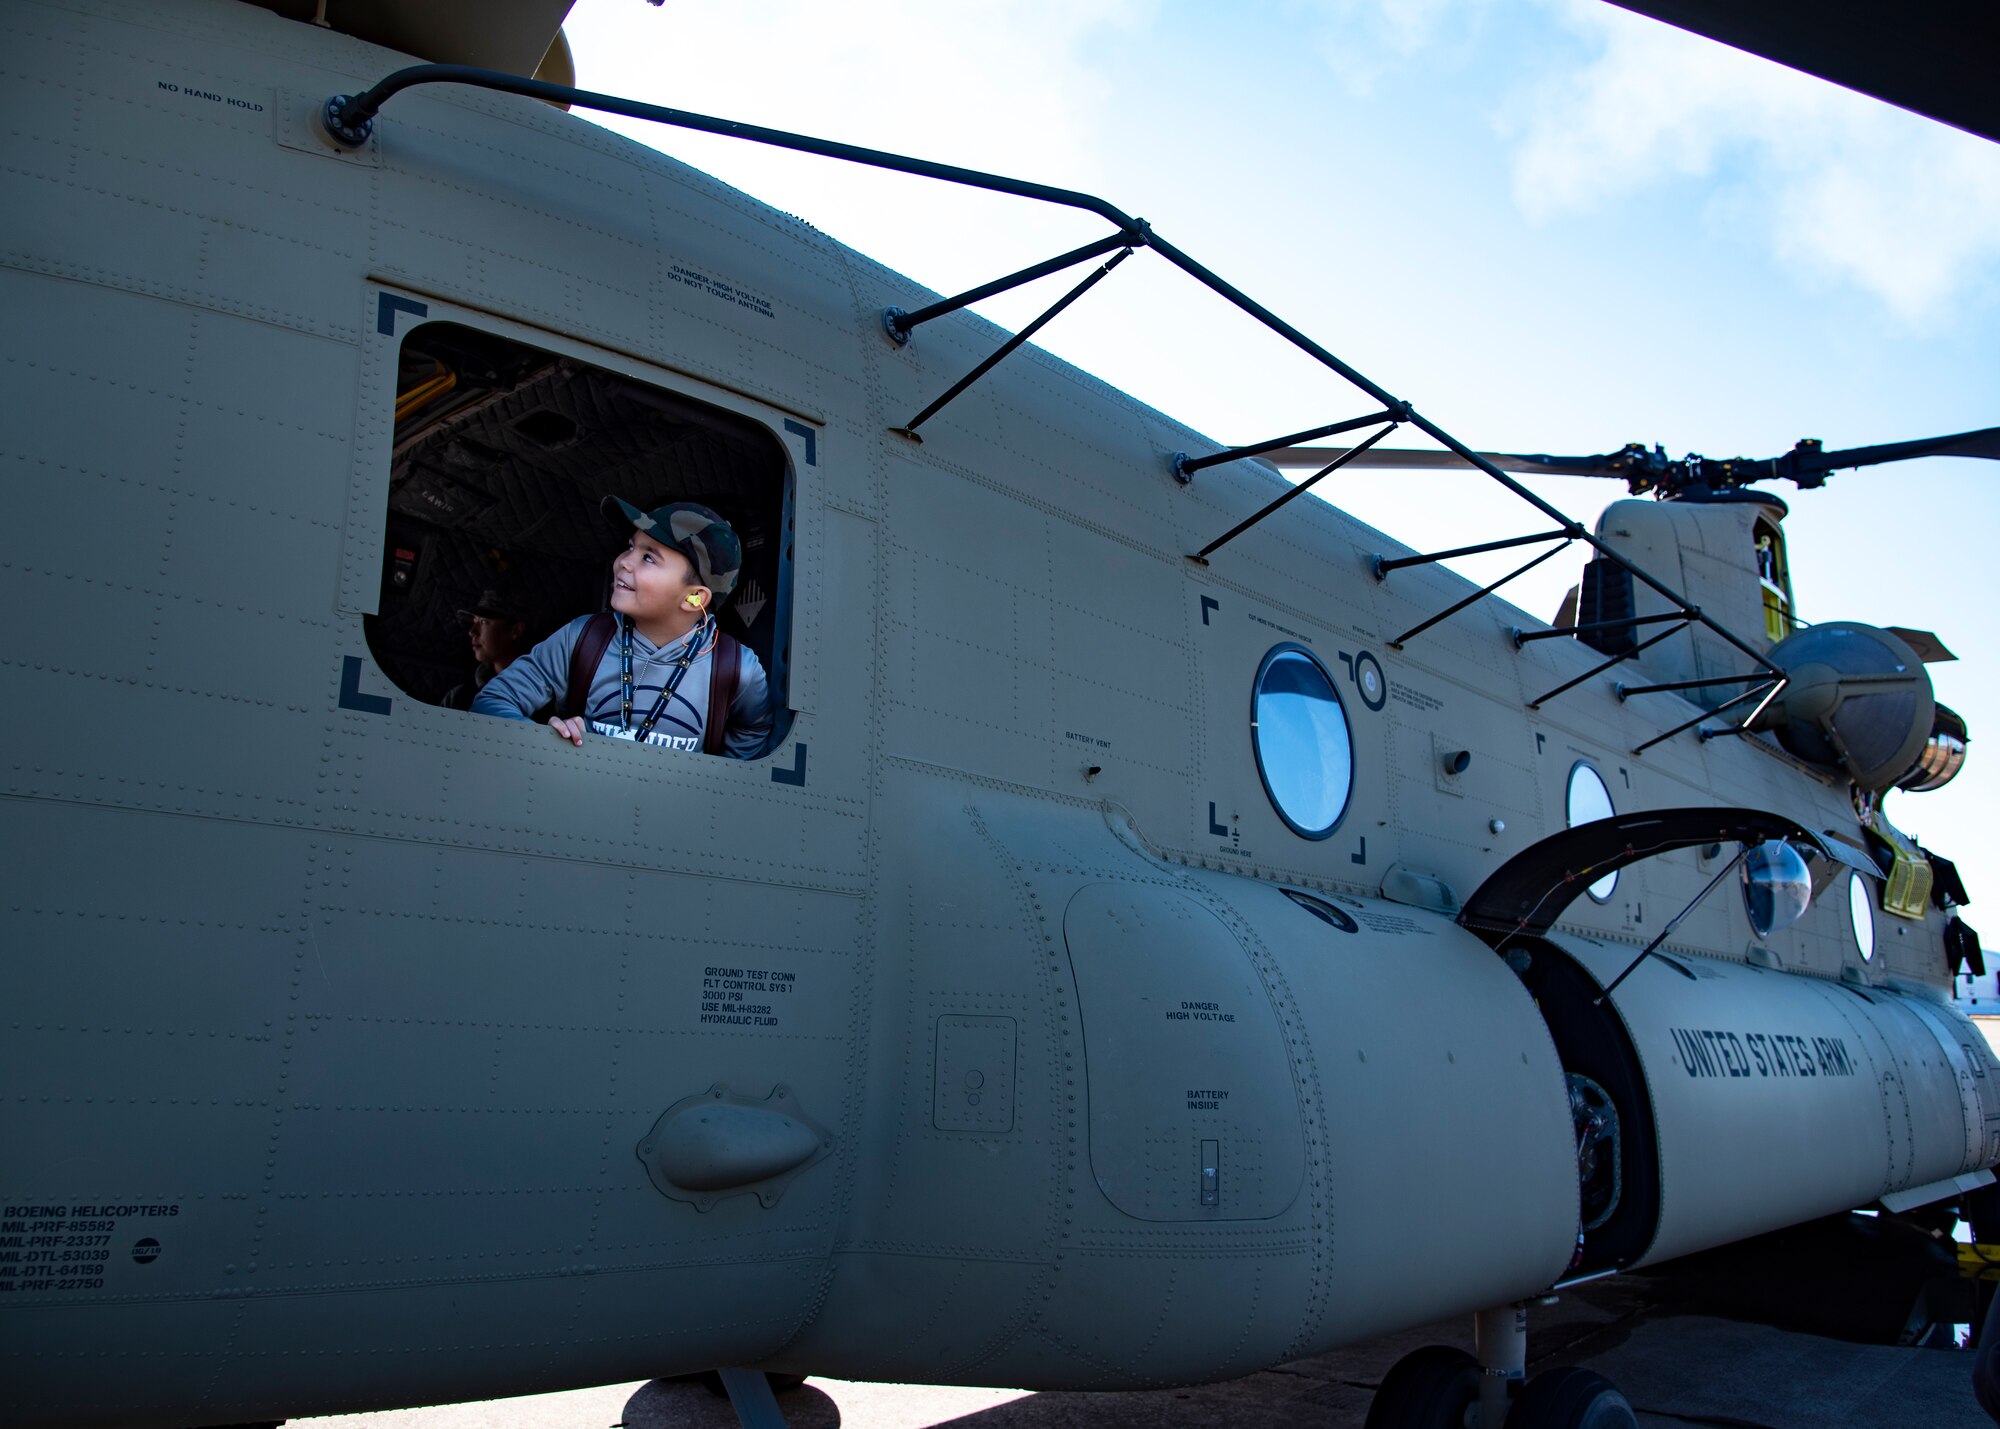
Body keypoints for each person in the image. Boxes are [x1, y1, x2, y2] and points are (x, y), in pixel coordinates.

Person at [472, 499, 773, 758]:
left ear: (695, 598)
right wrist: (548, 742)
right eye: (630, 547)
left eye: (648, 558)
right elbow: (493, 700)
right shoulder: (582, 638)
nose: (623, 562)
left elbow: (753, 730)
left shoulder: (737, 667)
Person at [442, 590, 533, 710]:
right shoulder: (459, 698)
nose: (472, 631)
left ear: (515, 630)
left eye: (484, 622)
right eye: (474, 622)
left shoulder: (551, 696)